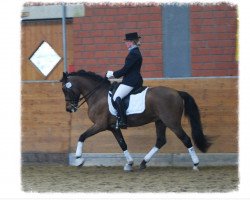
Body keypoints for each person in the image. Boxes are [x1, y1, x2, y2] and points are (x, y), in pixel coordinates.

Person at [106, 32, 143, 129]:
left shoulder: (133, 54)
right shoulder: (134, 52)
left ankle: (122, 120)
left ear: (131, 42)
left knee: (117, 97)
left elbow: (125, 69)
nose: (125, 44)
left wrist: (112, 74)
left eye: (126, 42)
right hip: (131, 79)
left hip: (131, 81)